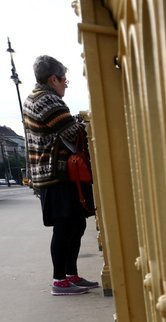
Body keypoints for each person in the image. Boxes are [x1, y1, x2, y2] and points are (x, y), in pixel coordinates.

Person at [23, 55, 98, 296]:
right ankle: (59, 280)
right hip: (55, 174)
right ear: (53, 79)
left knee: (74, 225)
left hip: (54, 174)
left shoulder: (38, 97)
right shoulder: (46, 100)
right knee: (66, 227)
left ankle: (70, 275)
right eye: (64, 79)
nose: (66, 84)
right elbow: (74, 130)